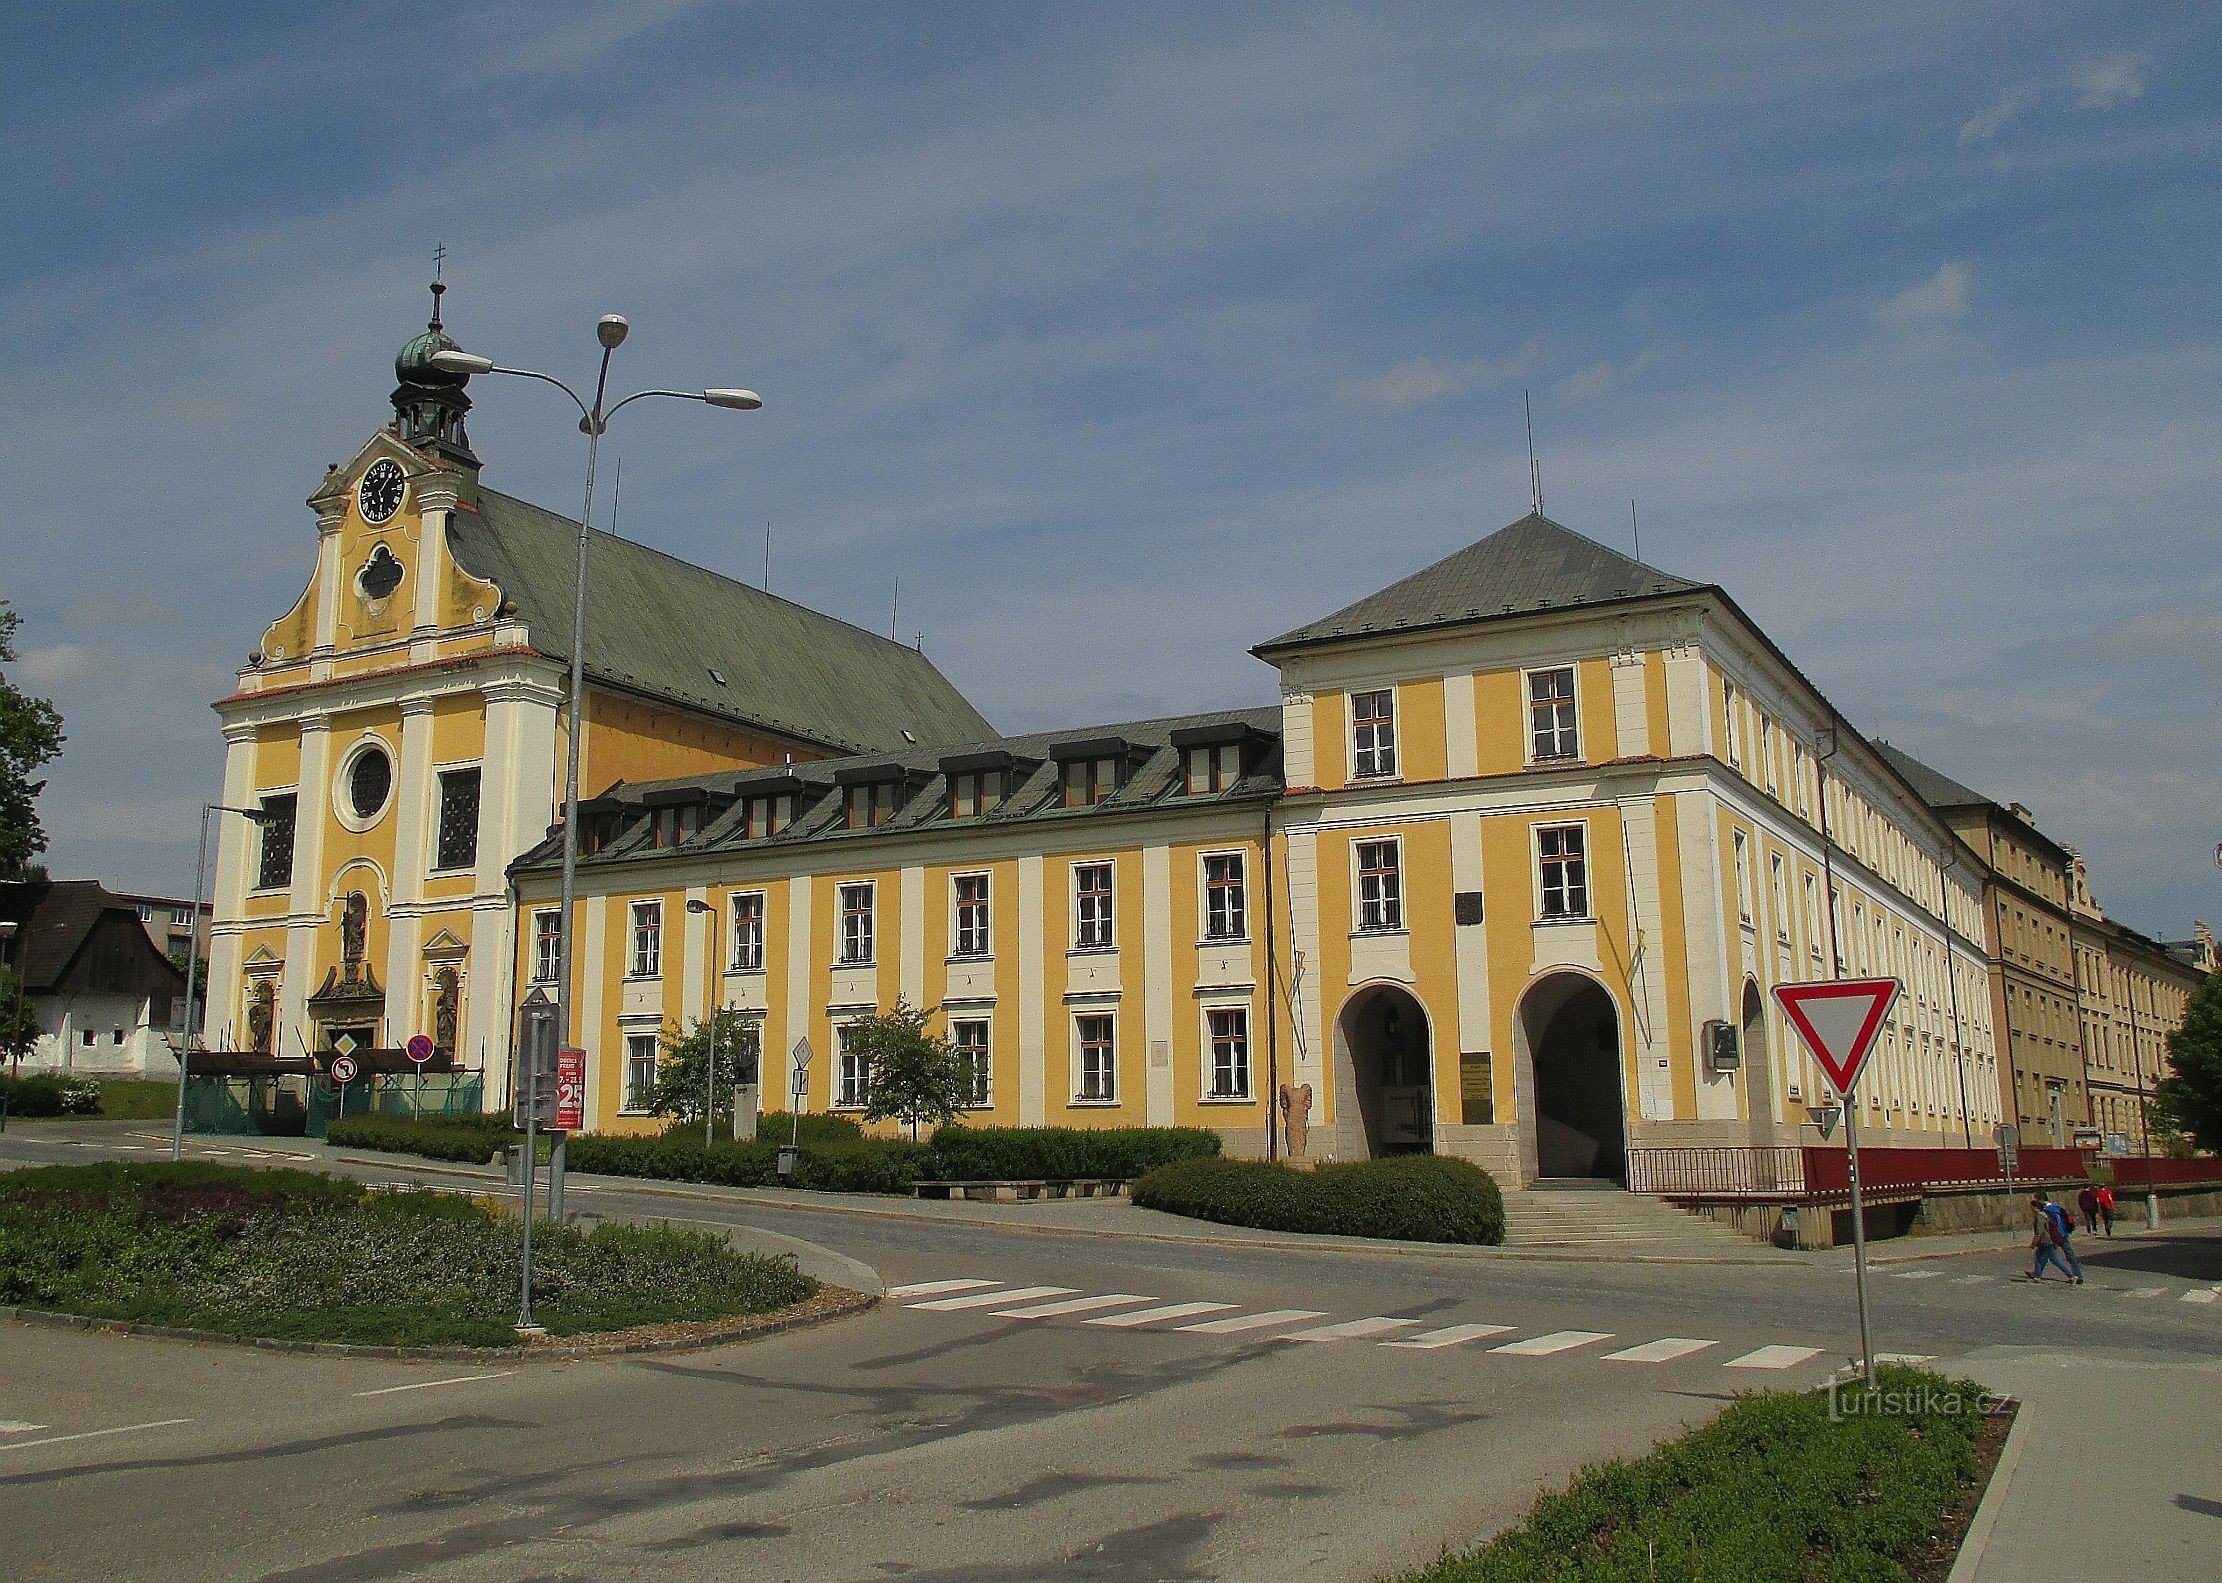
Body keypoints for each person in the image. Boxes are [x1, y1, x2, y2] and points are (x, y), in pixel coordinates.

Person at [2027, 1193, 2084, 1284]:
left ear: (2040, 1200)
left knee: (2052, 1258)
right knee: (2064, 1255)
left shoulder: (2044, 1212)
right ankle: (2037, 1274)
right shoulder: (2056, 1207)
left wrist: (2034, 1242)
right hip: (2062, 1234)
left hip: (2053, 1237)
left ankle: (2072, 1275)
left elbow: (2040, 1230)